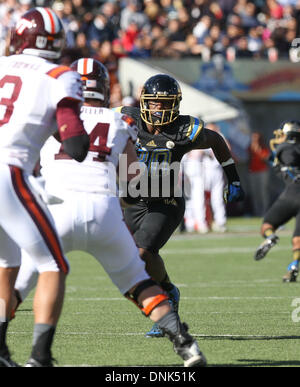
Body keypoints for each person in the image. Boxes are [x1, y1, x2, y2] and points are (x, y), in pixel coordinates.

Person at [13, 58, 207, 367]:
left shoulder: (51, 117)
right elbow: (133, 181)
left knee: (25, 279)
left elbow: (25, 159)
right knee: (137, 281)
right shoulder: (120, 121)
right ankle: (185, 344)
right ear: (104, 89)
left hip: (56, 211)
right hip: (103, 211)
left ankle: (37, 356)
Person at [114, 74, 244, 337]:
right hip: (133, 201)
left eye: (165, 104)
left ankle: (165, 303)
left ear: (175, 105)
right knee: (132, 259)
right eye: (154, 104)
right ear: (144, 103)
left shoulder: (182, 130)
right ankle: (168, 290)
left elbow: (216, 141)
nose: (158, 109)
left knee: (143, 253)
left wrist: (233, 178)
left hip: (167, 201)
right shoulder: (125, 121)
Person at [0, 7, 90, 367]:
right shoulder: (59, 76)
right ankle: (40, 357)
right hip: (9, 173)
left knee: (7, 263)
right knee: (53, 263)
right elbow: (76, 147)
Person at [254, 120, 300, 282]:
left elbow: (284, 162)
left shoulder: (285, 149)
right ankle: (294, 265)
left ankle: (271, 236)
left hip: (292, 193)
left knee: (266, 225)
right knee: (298, 238)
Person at [182, 123, 228, 234]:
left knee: (211, 198)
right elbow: (194, 155)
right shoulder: (196, 139)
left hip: (206, 170)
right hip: (197, 171)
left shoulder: (214, 137)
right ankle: (198, 223)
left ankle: (214, 222)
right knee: (195, 198)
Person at [248, 132, 270, 217]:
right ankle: (257, 212)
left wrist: (258, 149)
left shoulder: (263, 148)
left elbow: (265, 158)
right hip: (253, 172)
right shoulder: (250, 147)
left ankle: (264, 211)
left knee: (263, 193)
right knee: (255, 193)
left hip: (262, 172)